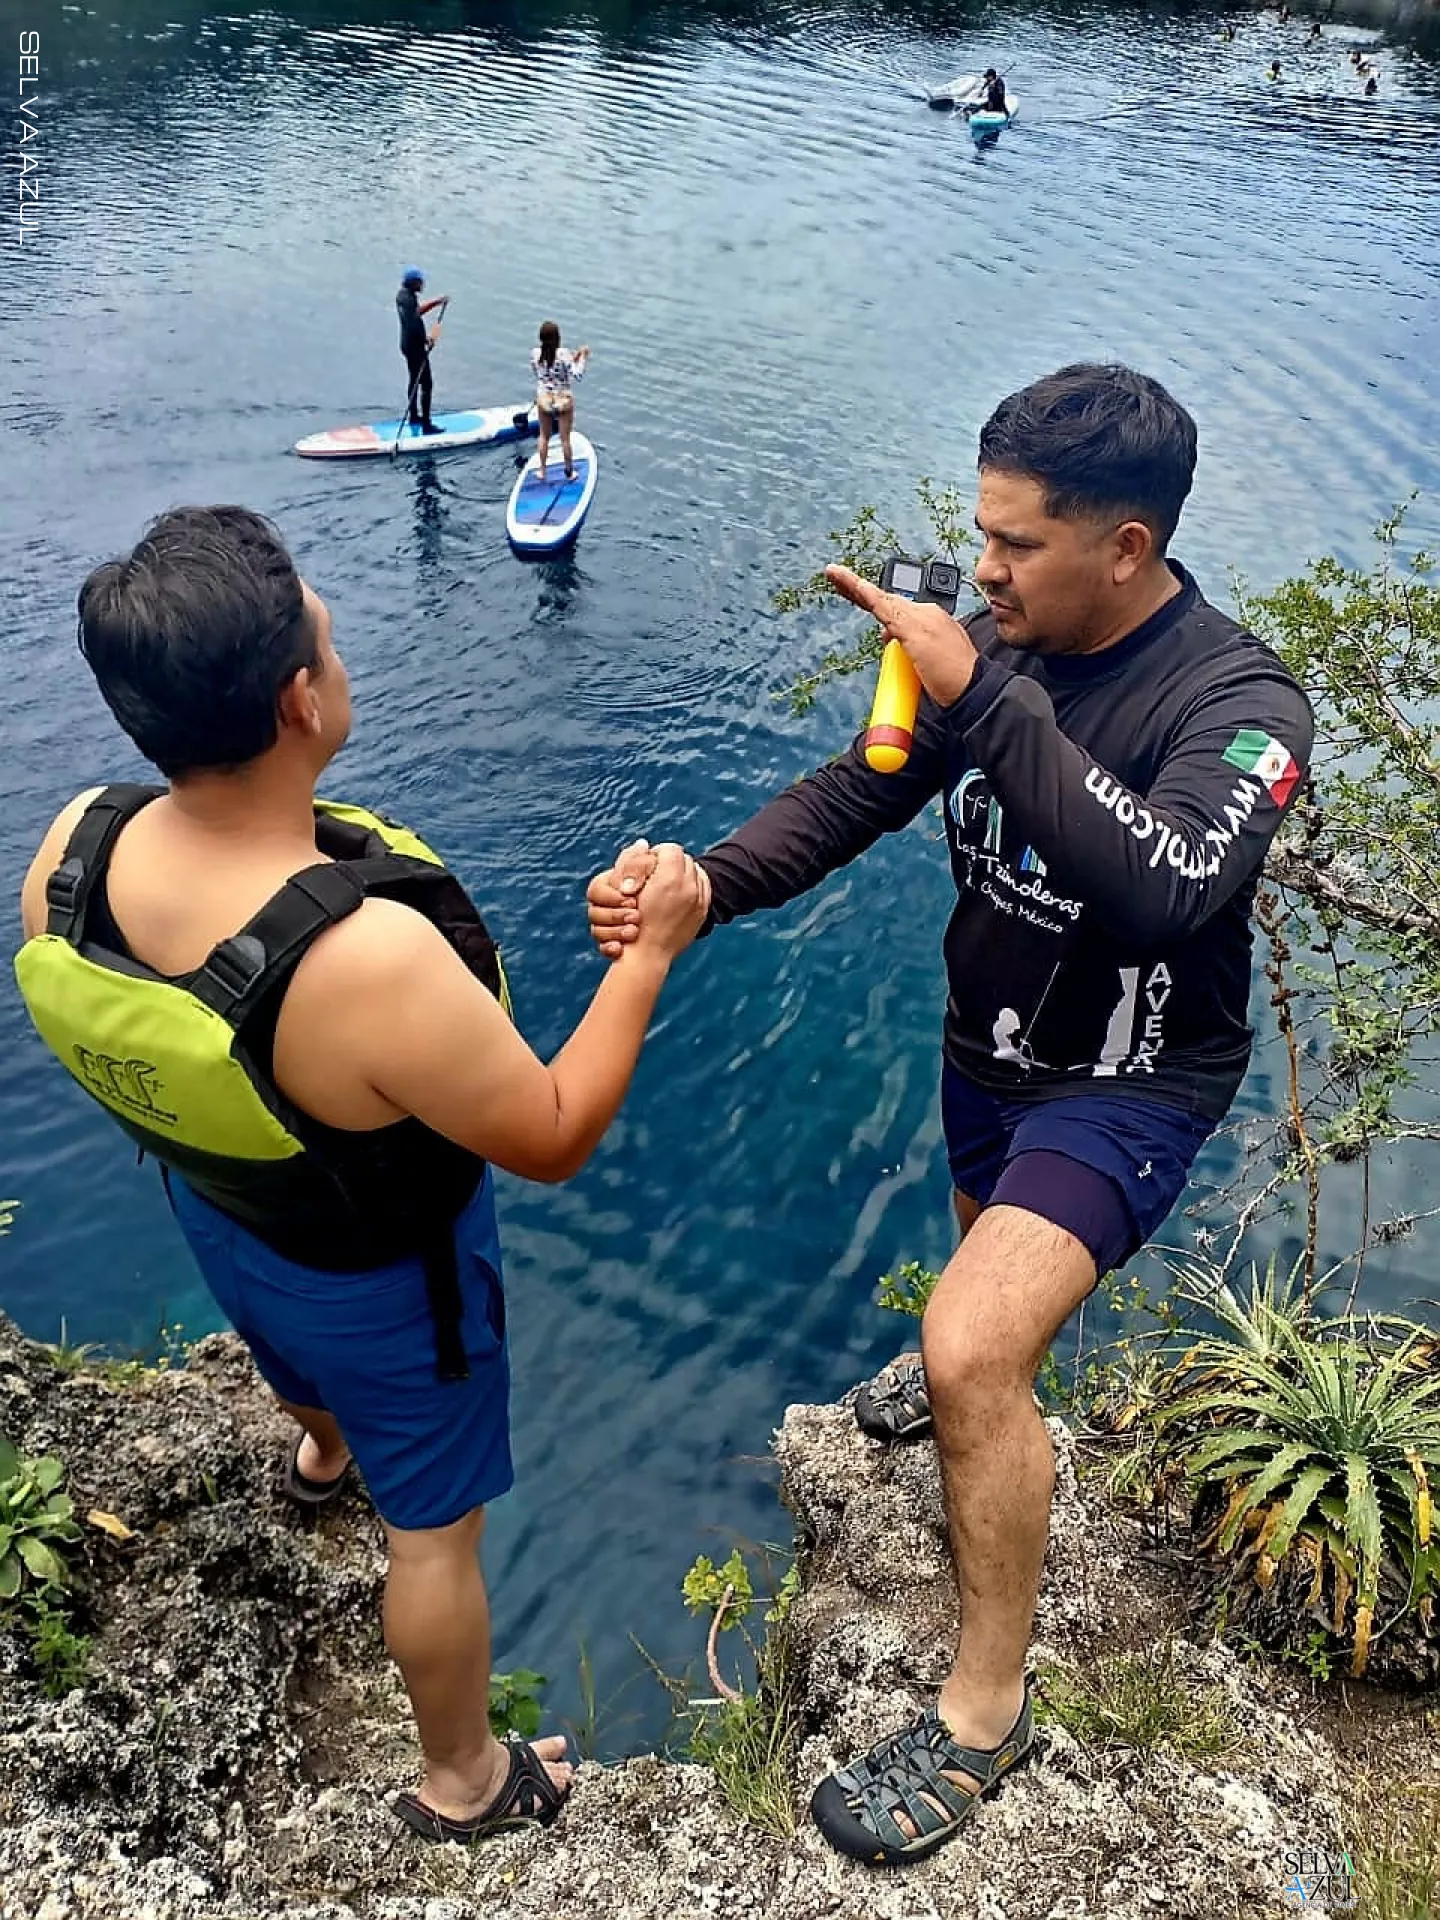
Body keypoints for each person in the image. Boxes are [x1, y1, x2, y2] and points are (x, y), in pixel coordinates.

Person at [587, 364, 1313, 1865]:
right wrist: (706, 885)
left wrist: (980, 691)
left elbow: (1170, 885)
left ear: (1126, 545)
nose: (981, 570)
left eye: (1015, 543)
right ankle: (990, 1406)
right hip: (989, 1042)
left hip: (1133, 1075)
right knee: (985, 1270)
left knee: (969, 1341)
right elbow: (857, 790)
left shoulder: (1241, 705)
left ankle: (986, 1712)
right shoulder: (997, 647)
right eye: (979, 534)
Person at [15, 506, 710, 1845]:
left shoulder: (74, 850)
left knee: (288, 1352)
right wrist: (649, 956)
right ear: (299, 701)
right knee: (435, 1535)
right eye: (326, 641)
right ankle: (464, 1779)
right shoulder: (366, 962)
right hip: (389, 1281)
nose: (338, 657)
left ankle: (322, 1451)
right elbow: (553, 1133)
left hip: (225, 1212)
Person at [531, 319, 590, 482]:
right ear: (558, 337)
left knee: (544, 436)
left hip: (544, 399)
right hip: (563, 400)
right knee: (565, 438)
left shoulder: (535, 354)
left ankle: (542, 471)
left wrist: (574, 357)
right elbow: (577, 374)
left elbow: (539, 374)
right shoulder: (563, 354)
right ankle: (569, 473)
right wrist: (583, 357)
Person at [396, 267, 447, 437]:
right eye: (420, 282)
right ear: (413, 282)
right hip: (414, 347)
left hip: (407, 344)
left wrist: (436, 302)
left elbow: (416, 313)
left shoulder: (403, 296)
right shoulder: (408, 299)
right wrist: (426, 340)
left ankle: (414, 417)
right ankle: (426, 424)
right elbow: (413, 324)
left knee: (414, 379)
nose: (422, 284)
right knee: (426, 383)